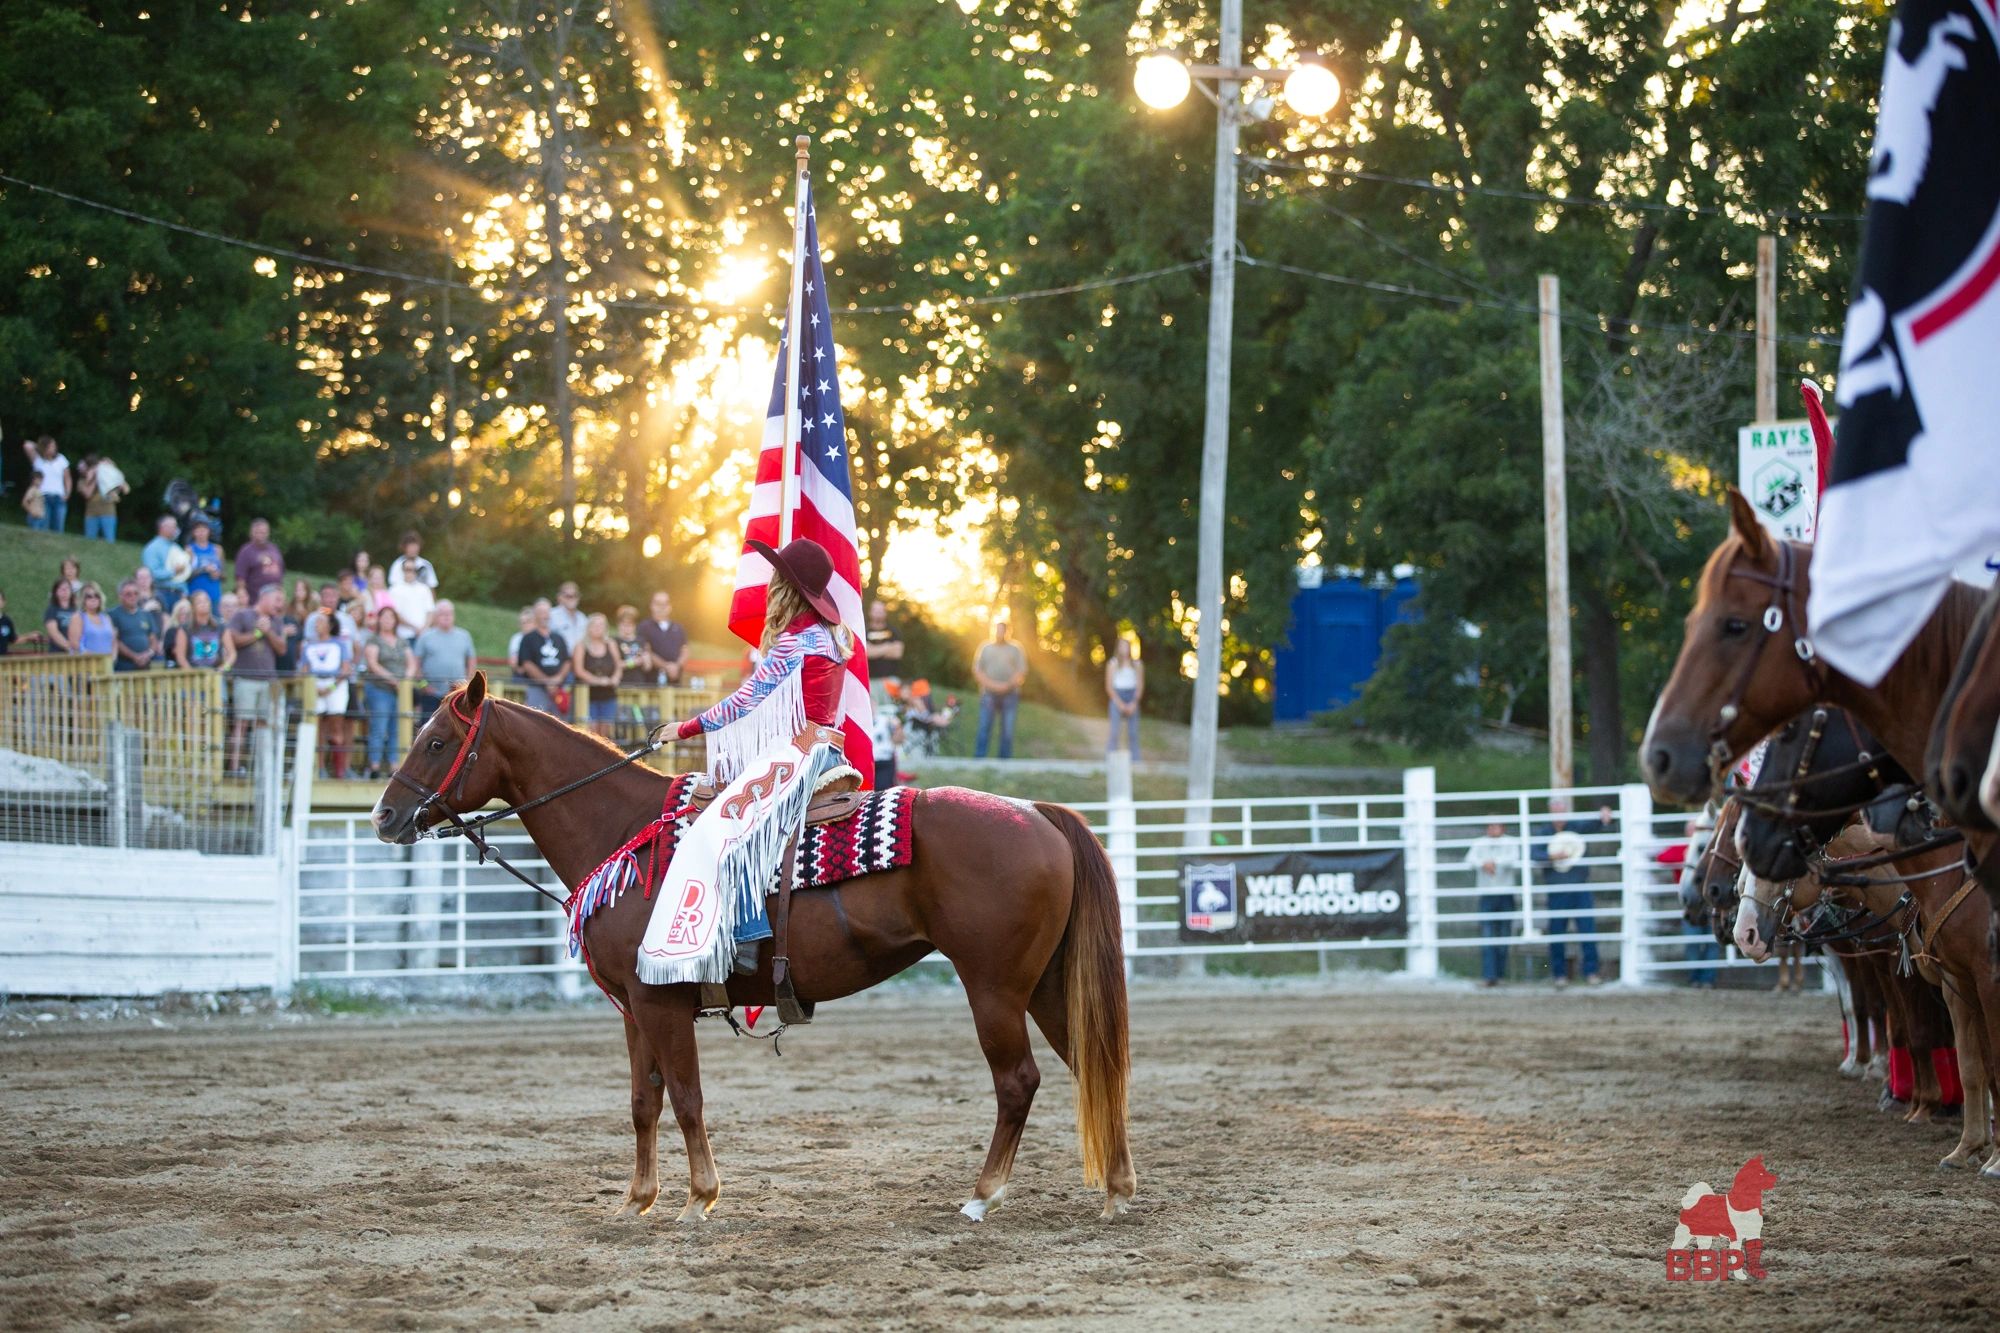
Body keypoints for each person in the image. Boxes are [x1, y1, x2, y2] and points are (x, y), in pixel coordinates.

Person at [657, 538, 858, 979]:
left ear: (787, 586)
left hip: (804, 754)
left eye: (776, 576)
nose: (768, 583)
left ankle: (749, 933)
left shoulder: (794, 641)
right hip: (828, 748)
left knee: (731, 826)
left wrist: (686, 728)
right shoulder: (828, 635)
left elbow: (747, 699)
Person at [1534, 795, 1617, 987]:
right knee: (1557, 932)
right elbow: (1534, 853)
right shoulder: (1544, 832)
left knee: (1587, 929)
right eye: (1556, 811)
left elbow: (1594, 825)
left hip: (1579, 886)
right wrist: (1551, 856)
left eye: (1561, 811)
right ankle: (1559, 974)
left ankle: (1591, 972)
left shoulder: (1576, 827)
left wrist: (1603, 816)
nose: (1559, 815)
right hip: (1557, 889)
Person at [228, 584, 291, 775]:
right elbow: (233, 639)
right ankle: (234, 767)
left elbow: (282, 649)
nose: (279, 605)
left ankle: (261, 767)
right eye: (277, 600)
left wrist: (268, 631)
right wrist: (256, 633)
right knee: (242, 723)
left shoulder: (276, 621)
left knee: (264, 723)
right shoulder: (243, 615)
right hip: (245, 678)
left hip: (268, 680)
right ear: (264, 597)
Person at [1658, 817, 1717, 990]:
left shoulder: (1708, 849)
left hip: (1709, 901)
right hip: (1691, 903)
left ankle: (1707, 979)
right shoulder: (1682, 848)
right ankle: (1695, 978)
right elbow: (1662, 858)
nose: (1693, 832)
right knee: (1693, 940)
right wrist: (1685, 857)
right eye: (1691, 829)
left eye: (1696, 829)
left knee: (1711, 942)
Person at [1464, 820, 1522, 988]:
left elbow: (1514, 859)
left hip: (1505, 893)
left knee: (1504, 935)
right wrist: (1484, 864)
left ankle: (1499, 975)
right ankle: (1490, 975)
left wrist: (1493, 863)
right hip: (1487, 894)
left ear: (1503, 828)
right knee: (1487, 935)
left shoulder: (1511, 842)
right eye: (1489, 826)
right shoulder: (1479, 843)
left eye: (1496, 826)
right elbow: (1469, 860)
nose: (1492, 829)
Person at [359, 606, 416, 776]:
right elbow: (373, 664)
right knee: (379, 727)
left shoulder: (402, 641)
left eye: (391, 617)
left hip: (400, 691)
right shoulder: (373, 640)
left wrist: (406, 679)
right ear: (379, 619)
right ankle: (374, 766)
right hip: (379, 689)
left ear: (395, 621)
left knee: (397, 728)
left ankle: (395, 766)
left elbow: (411, 662)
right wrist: (393, 680)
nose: (387, 620)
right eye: (384, 617)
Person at [300, 610, 353, 778]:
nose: (317, 625)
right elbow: (304, 669)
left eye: (321, 621)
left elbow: (346, 669)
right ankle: (320, 767)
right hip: (315, 685)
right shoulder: (308, 646)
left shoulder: (339, 644)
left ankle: (340, 769)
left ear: (330, 625)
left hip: (334, 685)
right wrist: (314, 686)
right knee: (318, 727)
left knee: (336, 725)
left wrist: (330, 687)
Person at [973, 619, 1027, 759]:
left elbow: (1021, 671)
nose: (1000, 632)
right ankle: (979, 759)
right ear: (994, 630)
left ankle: (1004, 762)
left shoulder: (1016, 648)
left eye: (1003, 630)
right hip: (988, 694)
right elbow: (978, 670)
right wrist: (993, 685)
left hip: (1010, 695)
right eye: (998, 629)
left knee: (1007, 731)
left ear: (1008, 632)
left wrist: (1007, 686)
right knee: (984, 728)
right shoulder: (985, 647)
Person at [412, 599, 476, 717]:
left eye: (449, 613)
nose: (446, 616)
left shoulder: (464, 636)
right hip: (431, 695)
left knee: (457, 731)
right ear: (436, 616)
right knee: (429, 730)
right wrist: (423, 685)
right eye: (442, 613)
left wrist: (466, 684)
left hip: (457, 695)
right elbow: (415, 664)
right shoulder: (425, 637)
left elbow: (471, 661)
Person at [515, 600, 571, 716]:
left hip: (558, 689)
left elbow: (567, 661)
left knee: (560, 725)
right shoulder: (528, 638)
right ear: (535, 615)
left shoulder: (558, 637)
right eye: (541, 612)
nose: (544, 615)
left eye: (547, 612)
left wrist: (558, 679)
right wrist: (546, 681)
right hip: (536, 688)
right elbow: (526, 663)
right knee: (536, 722)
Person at [572, 612, 622, 738]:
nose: (598, 628)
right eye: (595, 625)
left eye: (601, 625)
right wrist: (598, 681)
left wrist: (615, 678)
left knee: (606, 730)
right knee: (591, 730)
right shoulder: (581, 645)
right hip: (588, 695)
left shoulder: (611, 644)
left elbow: (618, 664)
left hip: (608, 694)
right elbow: (578, 670)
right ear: (588, 627)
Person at [1104, 635, 1143, 760]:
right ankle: (1111, 758)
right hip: (1117, 695)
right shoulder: (1113, 663)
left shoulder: (1137, 664)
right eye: (1121, 646)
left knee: (1133, 733)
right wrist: (1119, 703)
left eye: (1126, 646)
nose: (1124, 648)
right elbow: (1109, 686)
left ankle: (1135, 761)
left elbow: (1140, 685)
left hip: (1132, 696)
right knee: (1114, 731)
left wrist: (1134, 703)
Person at [107, 579, 160, 673]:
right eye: (128, 594)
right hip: (123, 667)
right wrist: (134, 656)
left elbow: (153, 638)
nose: (133, 596)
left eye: (136, 593)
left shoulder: (146, 614)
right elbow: (115, 640)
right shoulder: (113, 615)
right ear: (120, 596)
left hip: (145, 666)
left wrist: (148, 653)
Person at [637, 590, 687, 685]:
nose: (662, 607)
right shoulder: (644, 627)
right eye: (658, 603)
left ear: (670, 607)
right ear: (652, 605)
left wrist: (677, 666)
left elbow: (685, 649)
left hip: (675, 681)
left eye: (665, 603)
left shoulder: (678, 627)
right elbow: (646, 650)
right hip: (652, 682)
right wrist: (666, 667)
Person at [22, 436, 70, 532]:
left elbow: (67, 478)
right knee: (44, 527)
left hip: (58, 497)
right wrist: (40, 447)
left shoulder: (61, 459)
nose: (54, 448)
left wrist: (67, 493)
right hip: (42, 497)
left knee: (58, 527)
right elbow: (27, 445)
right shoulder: (37, 460)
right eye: (51, 446)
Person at [142, 515, 189, 613]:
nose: (177, 530)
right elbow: (152, 573)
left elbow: (183, 574)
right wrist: (173, 572)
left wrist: (184, 591)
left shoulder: (176, 547)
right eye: (174, 526)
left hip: (179, 594)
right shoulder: (152, 548)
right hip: (162, 592)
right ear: (163, 527)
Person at [233, 518, 286, 601]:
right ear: (251, 533)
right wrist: (242, 595)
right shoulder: (246, 551)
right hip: (255, 600)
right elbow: (240, 579)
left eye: (264, 532)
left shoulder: (274, 549)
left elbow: (280, 574)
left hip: (274, 599)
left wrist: (281, 593)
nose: (261, 535)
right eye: (258, 532)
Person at [77, 453, 127, 542]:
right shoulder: (81, 481)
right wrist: (95, 479)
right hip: (91, 513)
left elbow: (122, 486)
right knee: (89, 540)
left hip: (108, 512)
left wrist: (109, 469)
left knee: (109, 539)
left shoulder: (107, 476)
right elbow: (87, 494)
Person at [177, 591, 227, 671]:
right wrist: (191, 673)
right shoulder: (185, 628)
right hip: (193, 676)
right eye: (199, 602)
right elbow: (180, 656)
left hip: (216, 675)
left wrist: (224, 668)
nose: (203, 604)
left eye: (206, 601)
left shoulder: (220, 626)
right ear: (193, 607)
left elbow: (232, 653)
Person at [388, 557, 434, 641]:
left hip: (424, 636)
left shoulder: (424, 589)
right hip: (404, 636)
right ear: (402, 570)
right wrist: (414, 628)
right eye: (407, 569)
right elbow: (395, 614)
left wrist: (424, 628)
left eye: (413, 569)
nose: (410, 572)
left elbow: (430, 611)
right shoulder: (394, 590)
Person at [185, 519, 224, 609]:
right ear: (194, 533)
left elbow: (224, 575)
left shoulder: (217, 549)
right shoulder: (189, 550)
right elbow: (186, 575)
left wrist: (218, 574)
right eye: (198, 530)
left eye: (204, 530)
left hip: (214, 594)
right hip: (195, 593)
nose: (201, 533)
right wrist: (204, 570)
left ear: (209, 532)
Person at [71, 583, 115, 657]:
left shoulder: (106, 618)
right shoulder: (78, 617)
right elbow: (74, 643)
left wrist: (113, 657)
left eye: (96, 596)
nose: (93, 598)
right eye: (89, 596)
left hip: (107, 662)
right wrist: (92, 657)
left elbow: (113, 640)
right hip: (87, 662)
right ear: (83, 599)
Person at [864, 599, 904, 674]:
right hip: (869, 679)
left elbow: (897, 653)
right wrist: (888, 646)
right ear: (870, 612)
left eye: (881, 611)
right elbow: (865, 653)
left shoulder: (894, 631)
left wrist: (872, 649)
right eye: (876, 611)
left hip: (890, 679)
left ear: (885, 613)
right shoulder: (863, 631)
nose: (878, 613)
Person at [42, 578, 80, 653]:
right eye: (61, 589)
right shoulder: (52, 610)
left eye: (67, 588)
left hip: (76, 652)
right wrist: (69, 647)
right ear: (56, 592)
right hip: (58, 654)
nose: (64, 591)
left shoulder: (76, 609)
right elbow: (54, 633)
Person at [549, 581, 588, 652]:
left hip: (580, 658)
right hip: (560, 658)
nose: (572, 598)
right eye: (568, 596)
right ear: (560, 597)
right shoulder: (551, 615)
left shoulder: (582, 618)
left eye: (575, 595)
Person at [613, 605, 648, 680]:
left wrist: (646, 660)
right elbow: (617, 664)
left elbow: (647, 667)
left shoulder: (641, 641)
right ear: (618, 624)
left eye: (630, 624)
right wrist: (634, 662)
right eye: (624, 624)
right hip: (622, 682)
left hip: (639, 681)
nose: (627, 627)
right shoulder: (614, 641)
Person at [158, 598, 193, 669]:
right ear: (176, 614)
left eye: (187, 614)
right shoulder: (171, 631)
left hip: (191, 664)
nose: (184, 617)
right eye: (181, 614)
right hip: (174, 666)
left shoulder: (193, 630)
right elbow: (170, 651)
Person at [0, 589, 15, 656]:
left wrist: (28, 637)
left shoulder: (7, 621)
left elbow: (13, 639)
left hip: (3, 661)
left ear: (3, 603)